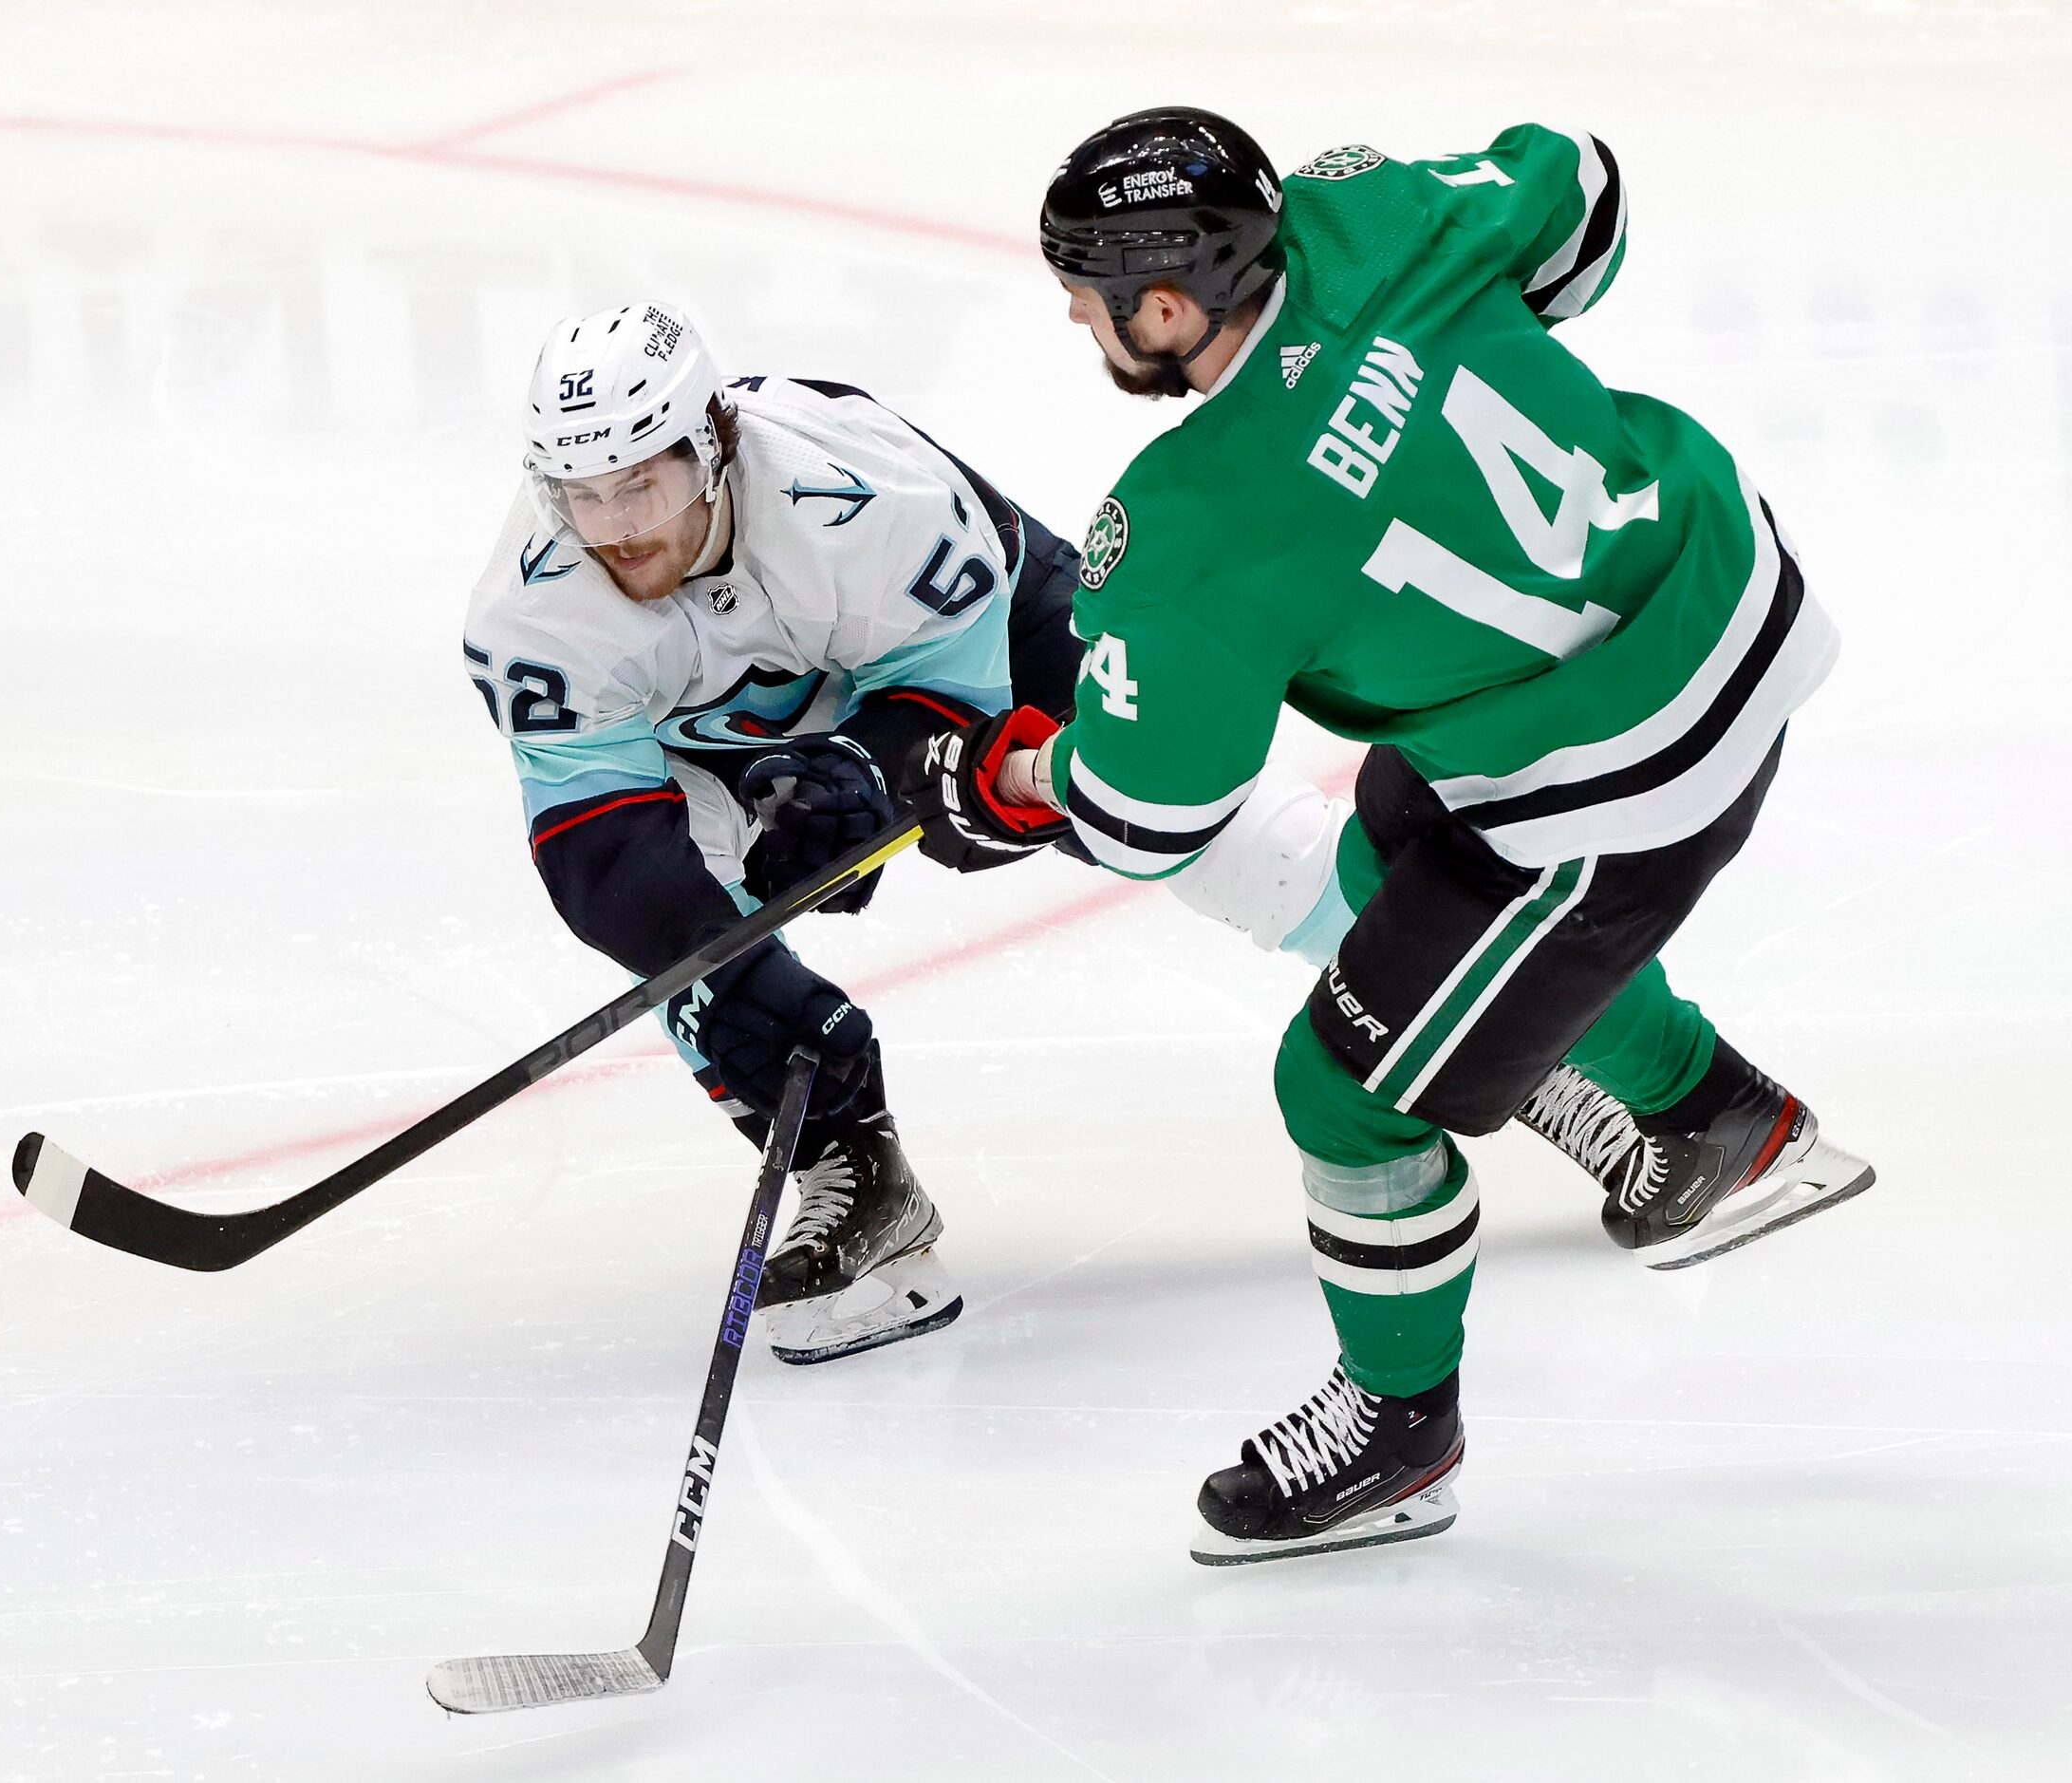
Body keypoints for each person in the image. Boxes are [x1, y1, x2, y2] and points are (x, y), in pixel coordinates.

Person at [908, 109, 1876, 1563]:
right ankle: (1715, 1120)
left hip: (1614, 780)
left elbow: (1145, 812)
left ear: (1168, 306)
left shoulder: (1189, 535)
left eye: (1090, 302)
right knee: (1391, 852)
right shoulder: (1371, 212)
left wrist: (1008, 779)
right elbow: (1585, 195)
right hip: (1717, 578)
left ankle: (1400, 1432)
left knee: (1345, 1089)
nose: (1079, 323)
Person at [461, 301, 1084, 1363]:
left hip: (983, 636)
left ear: (712, 442)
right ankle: (856, 1173)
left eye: (640, 484)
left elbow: (953, 707)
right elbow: (598, 847)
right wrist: (745, 991)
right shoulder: (533, 615)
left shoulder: (863, 501)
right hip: (714, 737)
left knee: (1169, 819)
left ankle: (1402, 960)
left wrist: (857, 779)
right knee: (683, 939)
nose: (614, 528)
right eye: (581, 494)